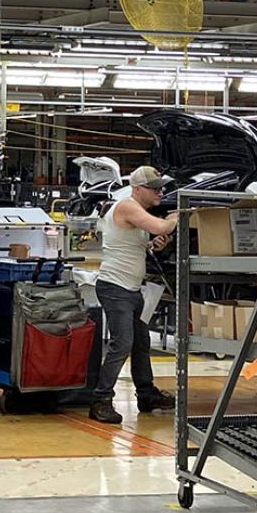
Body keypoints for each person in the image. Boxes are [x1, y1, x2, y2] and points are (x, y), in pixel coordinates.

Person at [90, 165, 180, 424]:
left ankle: (146, 394)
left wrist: (152, 244)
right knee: (122, 344)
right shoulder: (127, 206)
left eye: (161, 187)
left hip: (130, 288)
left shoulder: (137, 212)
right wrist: (174, 218)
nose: (160, 192)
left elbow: (132, 245)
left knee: (141, 343)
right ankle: (101, 399)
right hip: (116, 288)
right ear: (137, 189)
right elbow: (162, 226)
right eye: (154, 188)